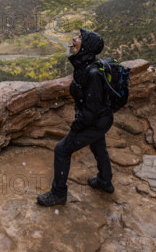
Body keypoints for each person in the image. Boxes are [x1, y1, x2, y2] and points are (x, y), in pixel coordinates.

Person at [37, 28, 115, 206]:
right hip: (100, 120)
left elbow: (91, 110)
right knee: (98, 146)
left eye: (80, 38)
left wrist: (76, 127)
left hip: (95, 122)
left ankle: (58, 194)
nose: (74, 38)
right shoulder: (85, 66)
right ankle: (105, 181)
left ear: (86, 47)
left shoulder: (92, 73)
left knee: (62, 149)